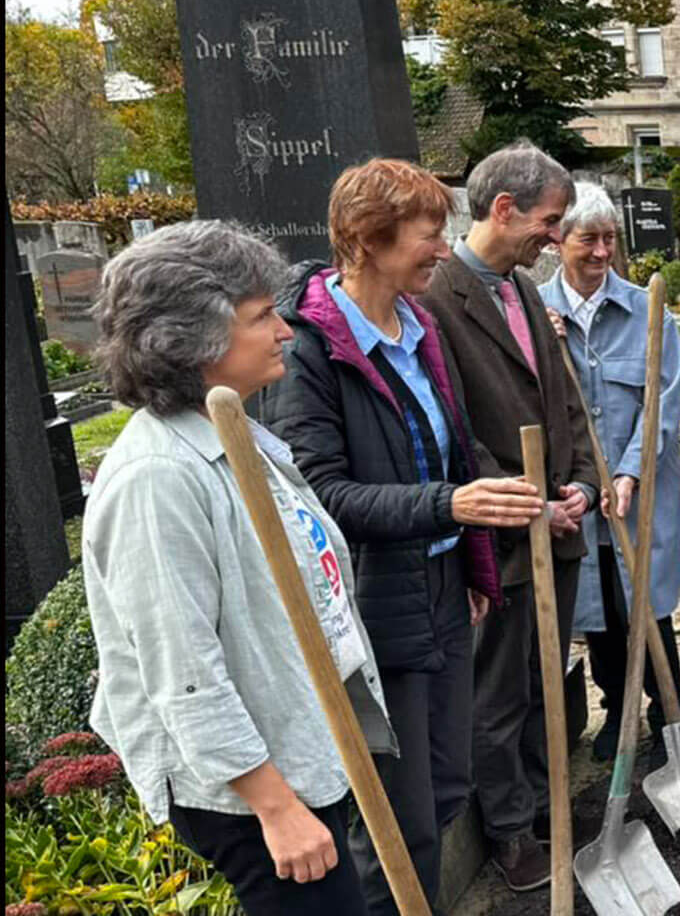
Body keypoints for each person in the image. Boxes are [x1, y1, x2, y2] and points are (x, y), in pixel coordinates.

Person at [261, 158, 546, 914]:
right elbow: (320, 496)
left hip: (443, 592)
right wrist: (449, 506)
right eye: (429, 234)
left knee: (449, 784)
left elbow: (448, 447)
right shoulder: (308, 351)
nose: (444, 250)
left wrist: (474, 562)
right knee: (397, 817)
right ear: (366, 238)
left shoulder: (418, 324)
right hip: (373, 602)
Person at [84, 221, 394, 915]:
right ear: (192, 340)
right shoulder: (157, 477)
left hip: (292, 745)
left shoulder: (237, 431)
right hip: (248, 789)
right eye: (261, 317)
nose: (285, 331)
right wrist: (274, 806)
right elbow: (181, 667)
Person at [417, 141, 597, 892]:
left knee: (539, 678)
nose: (557, 237)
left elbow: (559, 400)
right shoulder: (438, 300)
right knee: (497, 694)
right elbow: (453, 431)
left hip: (552, 525)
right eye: (551, 222)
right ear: (502, 209)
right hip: (501, 540)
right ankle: (512, 833)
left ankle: (543, 802)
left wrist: (584, 481)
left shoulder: (523, 290)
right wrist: (529, 507)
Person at [534, 183, 680, 768]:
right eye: (587, 240)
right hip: (579, 494)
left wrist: (627, 474)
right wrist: (541, 348)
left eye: (609, 239)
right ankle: (615, 713)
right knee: (599, 614)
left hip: (638, 491)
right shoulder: (535, 315)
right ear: (558, 243)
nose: (601, 252)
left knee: (646, 605)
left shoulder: (650, 314)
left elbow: (662, 402)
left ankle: (669, 716)